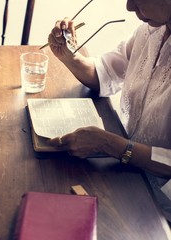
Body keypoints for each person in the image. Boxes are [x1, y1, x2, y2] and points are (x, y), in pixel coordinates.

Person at [47, 0, 171, 221]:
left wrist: (109, 144)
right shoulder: (151, 30)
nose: (129, 7)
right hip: (124, 173)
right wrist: (70, 56)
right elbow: (105, 74)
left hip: (159, 206)